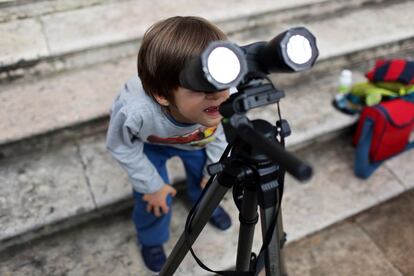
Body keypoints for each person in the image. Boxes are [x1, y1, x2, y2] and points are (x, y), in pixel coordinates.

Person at [106, 16, 232, 273]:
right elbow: (121, 145)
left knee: (208, 182)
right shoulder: (136, 111)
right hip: (149, 143)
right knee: (153, 201)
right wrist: (151, 185)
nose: (219, 94)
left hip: (196, 142)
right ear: (163, 95)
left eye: (222, 82)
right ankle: (151, 240)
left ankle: (206, 207)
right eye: (201, 87)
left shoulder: (222, 98)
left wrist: (213, 170)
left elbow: (220, 134)